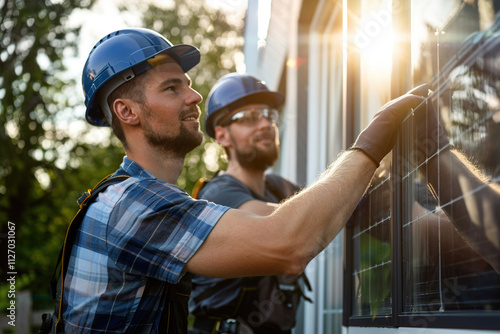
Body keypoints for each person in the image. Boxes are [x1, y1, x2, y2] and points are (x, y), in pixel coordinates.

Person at [60, 27, 427, 333]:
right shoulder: (130, 206)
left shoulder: (153, 199)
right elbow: (290, 243)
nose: (195, 95)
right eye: (172, 88)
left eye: (187, 84)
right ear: (127, 111)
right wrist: (373, 140)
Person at [188, 73, 311, 334]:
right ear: (222, 136)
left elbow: (328, 206)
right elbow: (288, 228)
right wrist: (365, 152)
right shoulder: (219, 195)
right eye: (249, 117)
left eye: (269, 115)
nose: (265, 123)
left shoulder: (278, 188)